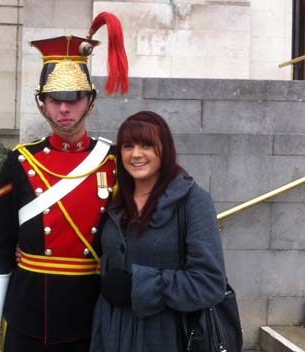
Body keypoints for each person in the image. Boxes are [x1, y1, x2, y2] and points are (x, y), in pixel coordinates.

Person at [0, 12, 129, 352]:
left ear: (90, 102)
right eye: (55, 100)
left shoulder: (114, 160)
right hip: (28, 311)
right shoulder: (20, 161)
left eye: (73, 99)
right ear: (42, 104)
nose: (64, 109)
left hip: (92, 314)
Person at [90, 111, 227, 352]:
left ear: (165, 149)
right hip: (111, 332)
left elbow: (209, 283)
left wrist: (138, 286)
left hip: (165, 336)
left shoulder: (193, 201)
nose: (136, 154)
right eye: (128, 146)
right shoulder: (115, 200)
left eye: (147, 145)